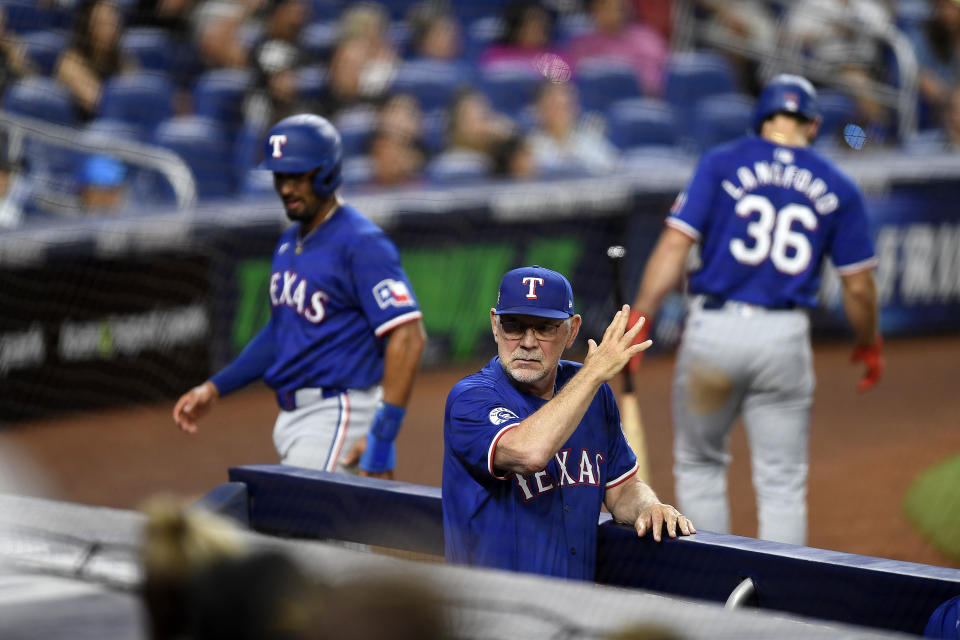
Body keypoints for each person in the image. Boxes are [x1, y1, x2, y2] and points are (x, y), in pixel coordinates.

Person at [629, 75, 882, 546]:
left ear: (760, 120)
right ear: (813, 124)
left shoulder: (722, 162)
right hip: (784, 338)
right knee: (782, 483)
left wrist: (640, 317)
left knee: (700, 465)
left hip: (714, 334)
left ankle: (712, 594)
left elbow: (672, 247)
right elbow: (861, 289)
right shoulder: (838, 184)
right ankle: (780, 608)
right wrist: (868, 343)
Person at [173, 114, 426, 478]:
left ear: (325, 173)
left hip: (338, 414)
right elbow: (281, 331)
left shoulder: (361, 242)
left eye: (297, 176)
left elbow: (408, 336)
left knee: (299, 530)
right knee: (337, 532)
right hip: (298, 419)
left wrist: (382, 436)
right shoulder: (289, 242)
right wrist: (215, 388)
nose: (286, 188)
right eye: (280, 176)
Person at [442, 265, 694, 580]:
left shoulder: (593, 393)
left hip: (570, 608)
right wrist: (593, 373)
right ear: (495, 325)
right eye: (513, 325)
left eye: (545, 327)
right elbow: (529, 452)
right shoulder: (471, 399)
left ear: (572, 330)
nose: (527, 342)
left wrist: (649, 507)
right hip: (491, 612)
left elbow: (622, 488)